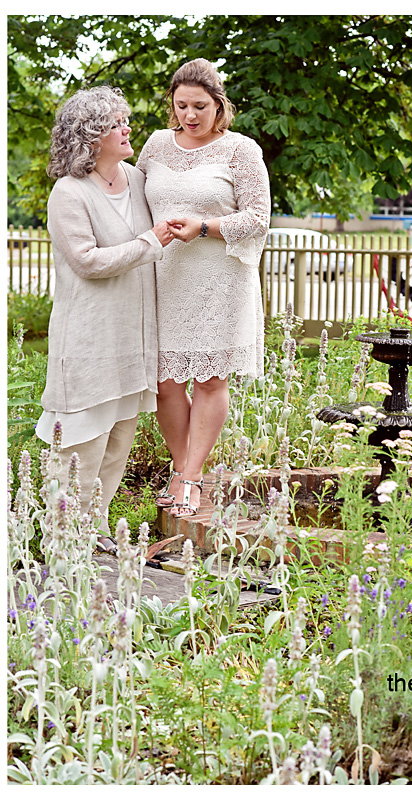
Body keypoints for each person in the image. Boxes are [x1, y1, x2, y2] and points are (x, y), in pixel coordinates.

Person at [37, 86, 175, 548]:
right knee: (83, 443)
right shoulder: (69, 192)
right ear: (91, 136)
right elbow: (87, 261)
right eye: (118, 123)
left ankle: (92, 532)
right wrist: (150, 243)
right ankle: (63, 538)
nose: (127, 127)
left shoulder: (137, 179)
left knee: (118, 442)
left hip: (133, 338)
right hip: (89, 339)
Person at [137, 58, 270, 516]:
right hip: (163, 277)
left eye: (200, 106)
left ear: (219, 105)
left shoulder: (241, 150)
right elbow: (134, 203)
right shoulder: (154, 146)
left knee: (210, 379)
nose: (190, 115)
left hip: (220, 279)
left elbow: (258, 217)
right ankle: (182, 470)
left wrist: (205, 226)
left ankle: (191, 478)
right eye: (182, 106)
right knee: (164, 383)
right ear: (172, 105)